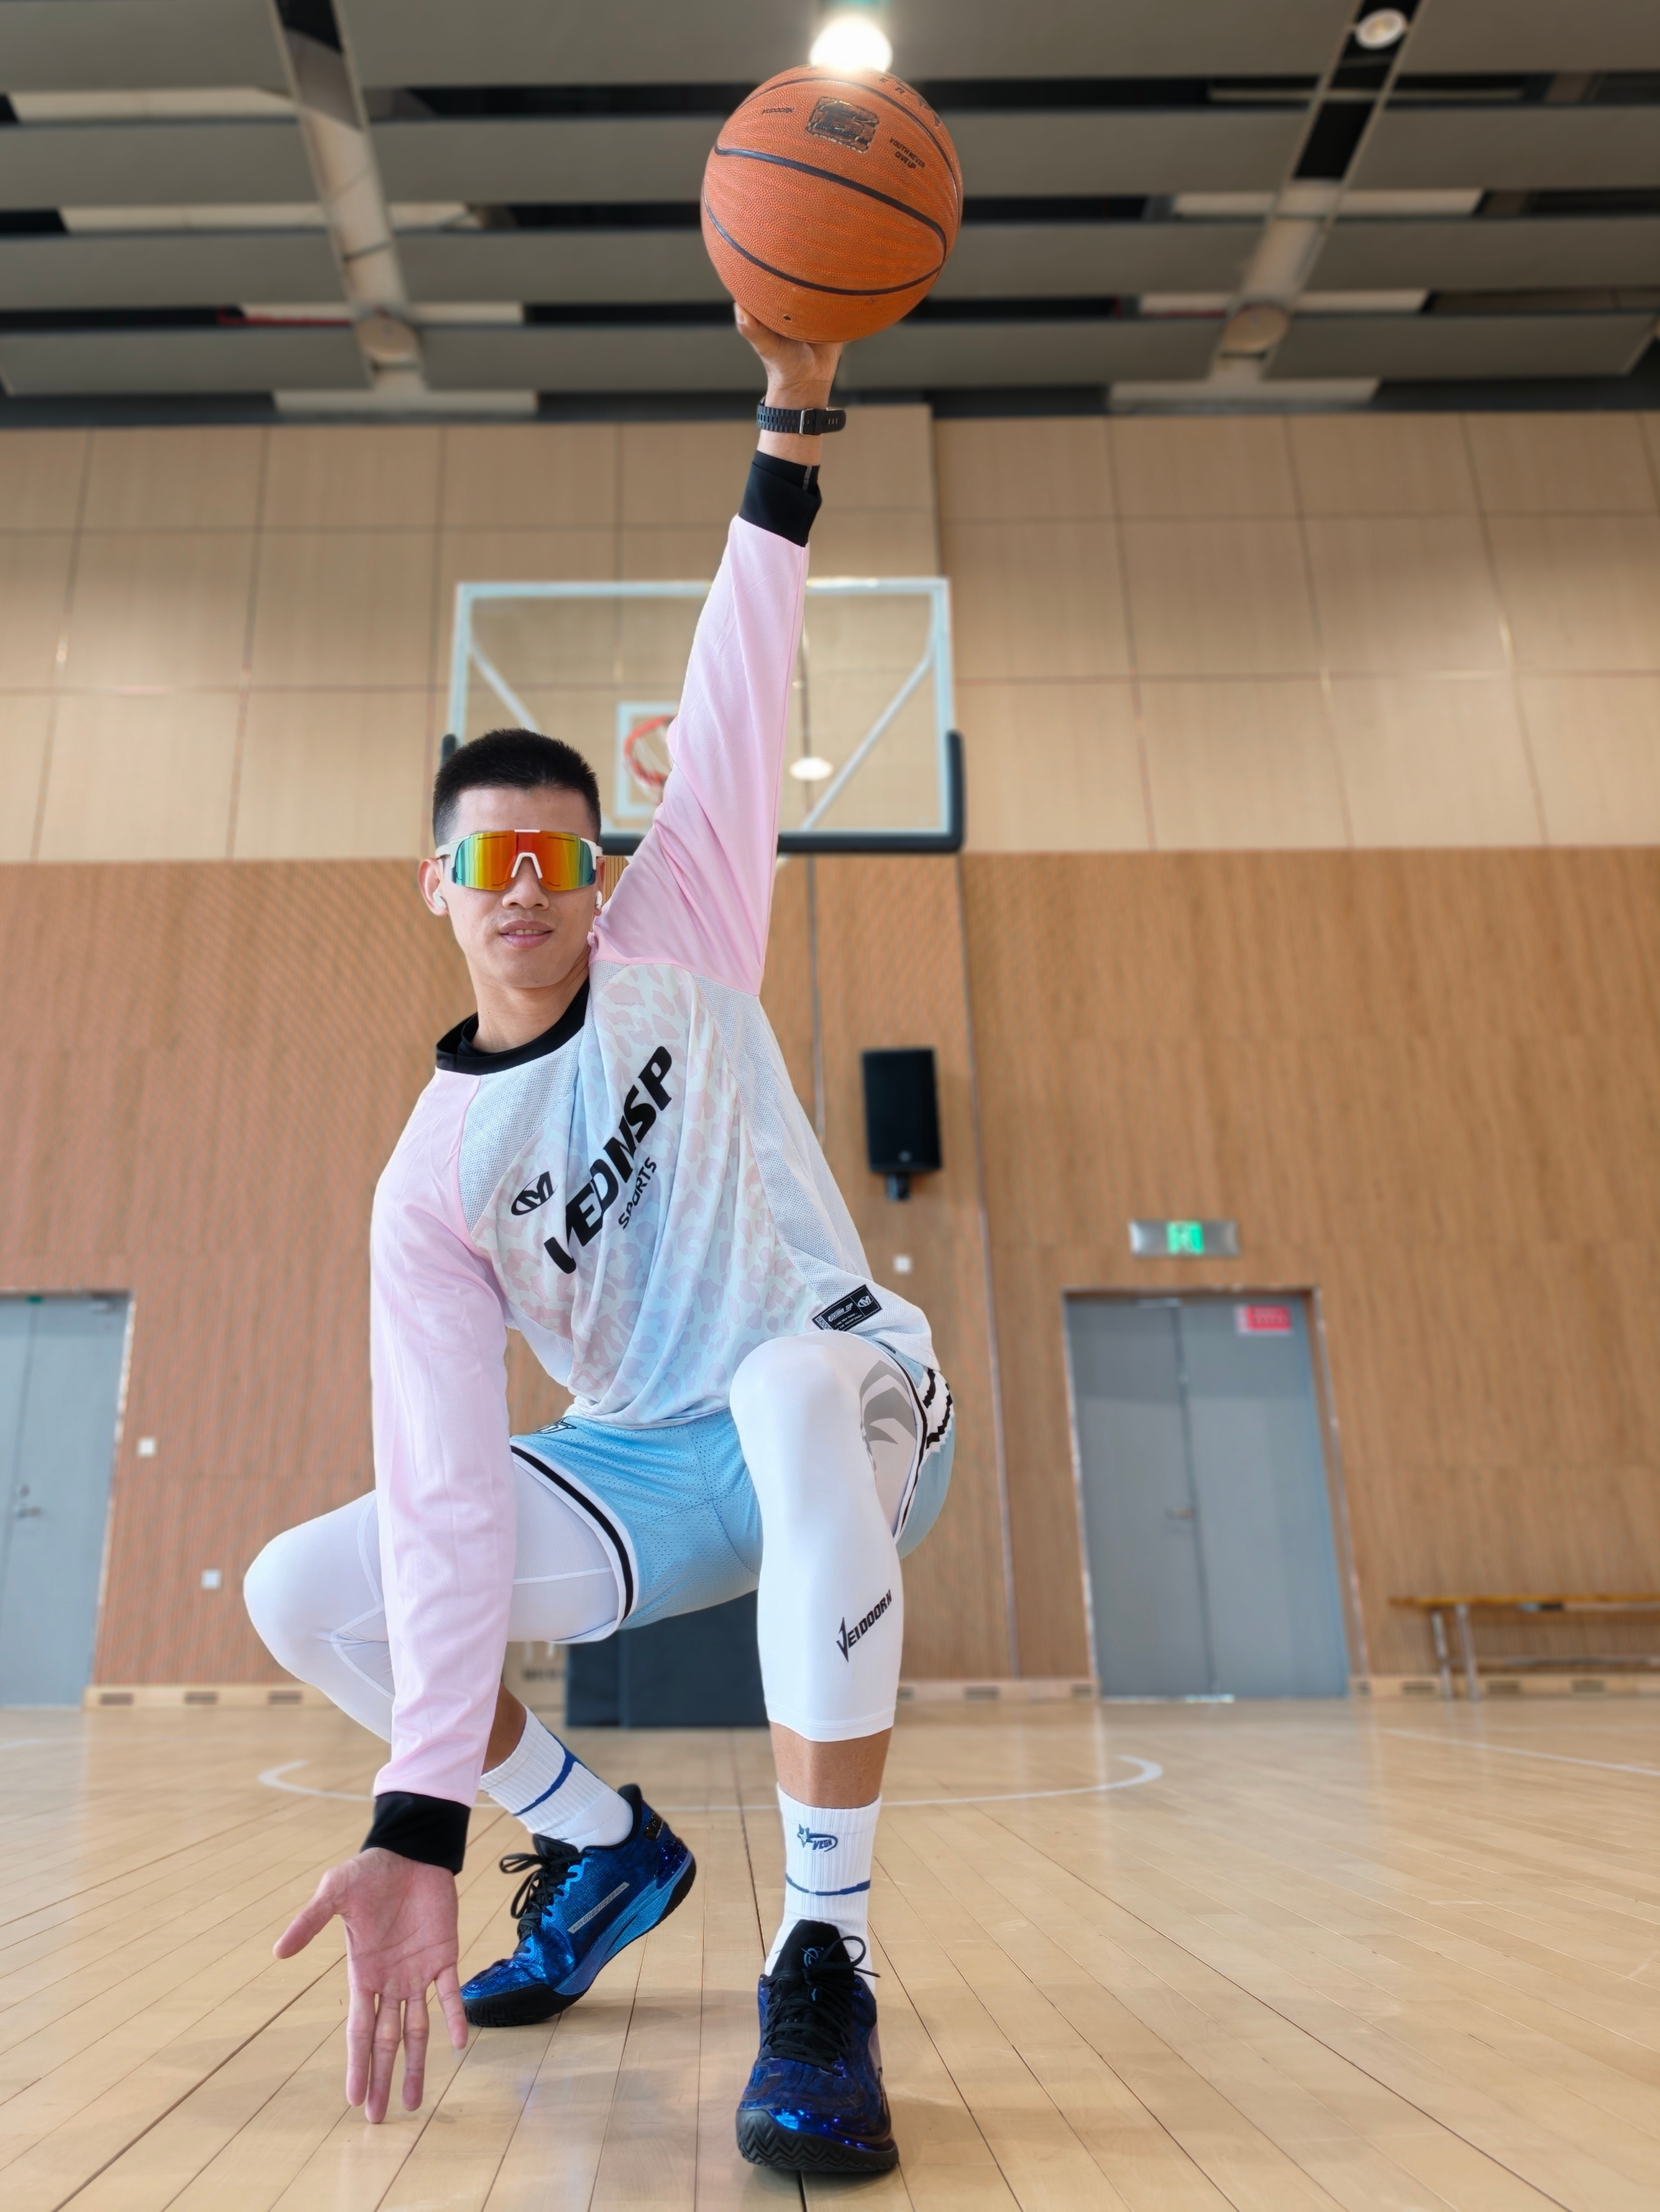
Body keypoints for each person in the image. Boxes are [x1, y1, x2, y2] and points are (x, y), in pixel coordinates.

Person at [243, 308, 954, 2177]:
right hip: (645, 1470)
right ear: (440, 885)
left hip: (855, 1398)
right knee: (304, 1591)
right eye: (490, 863)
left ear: (600, 874)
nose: (528, 891)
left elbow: (739, 677)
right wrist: (418, 1823)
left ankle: (823, 1959)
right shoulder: (431, 1186)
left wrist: (793, 418)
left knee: (790, 1385)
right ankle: (601, 1843)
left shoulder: (682, 938)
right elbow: (445, 1497)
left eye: (559, 860)